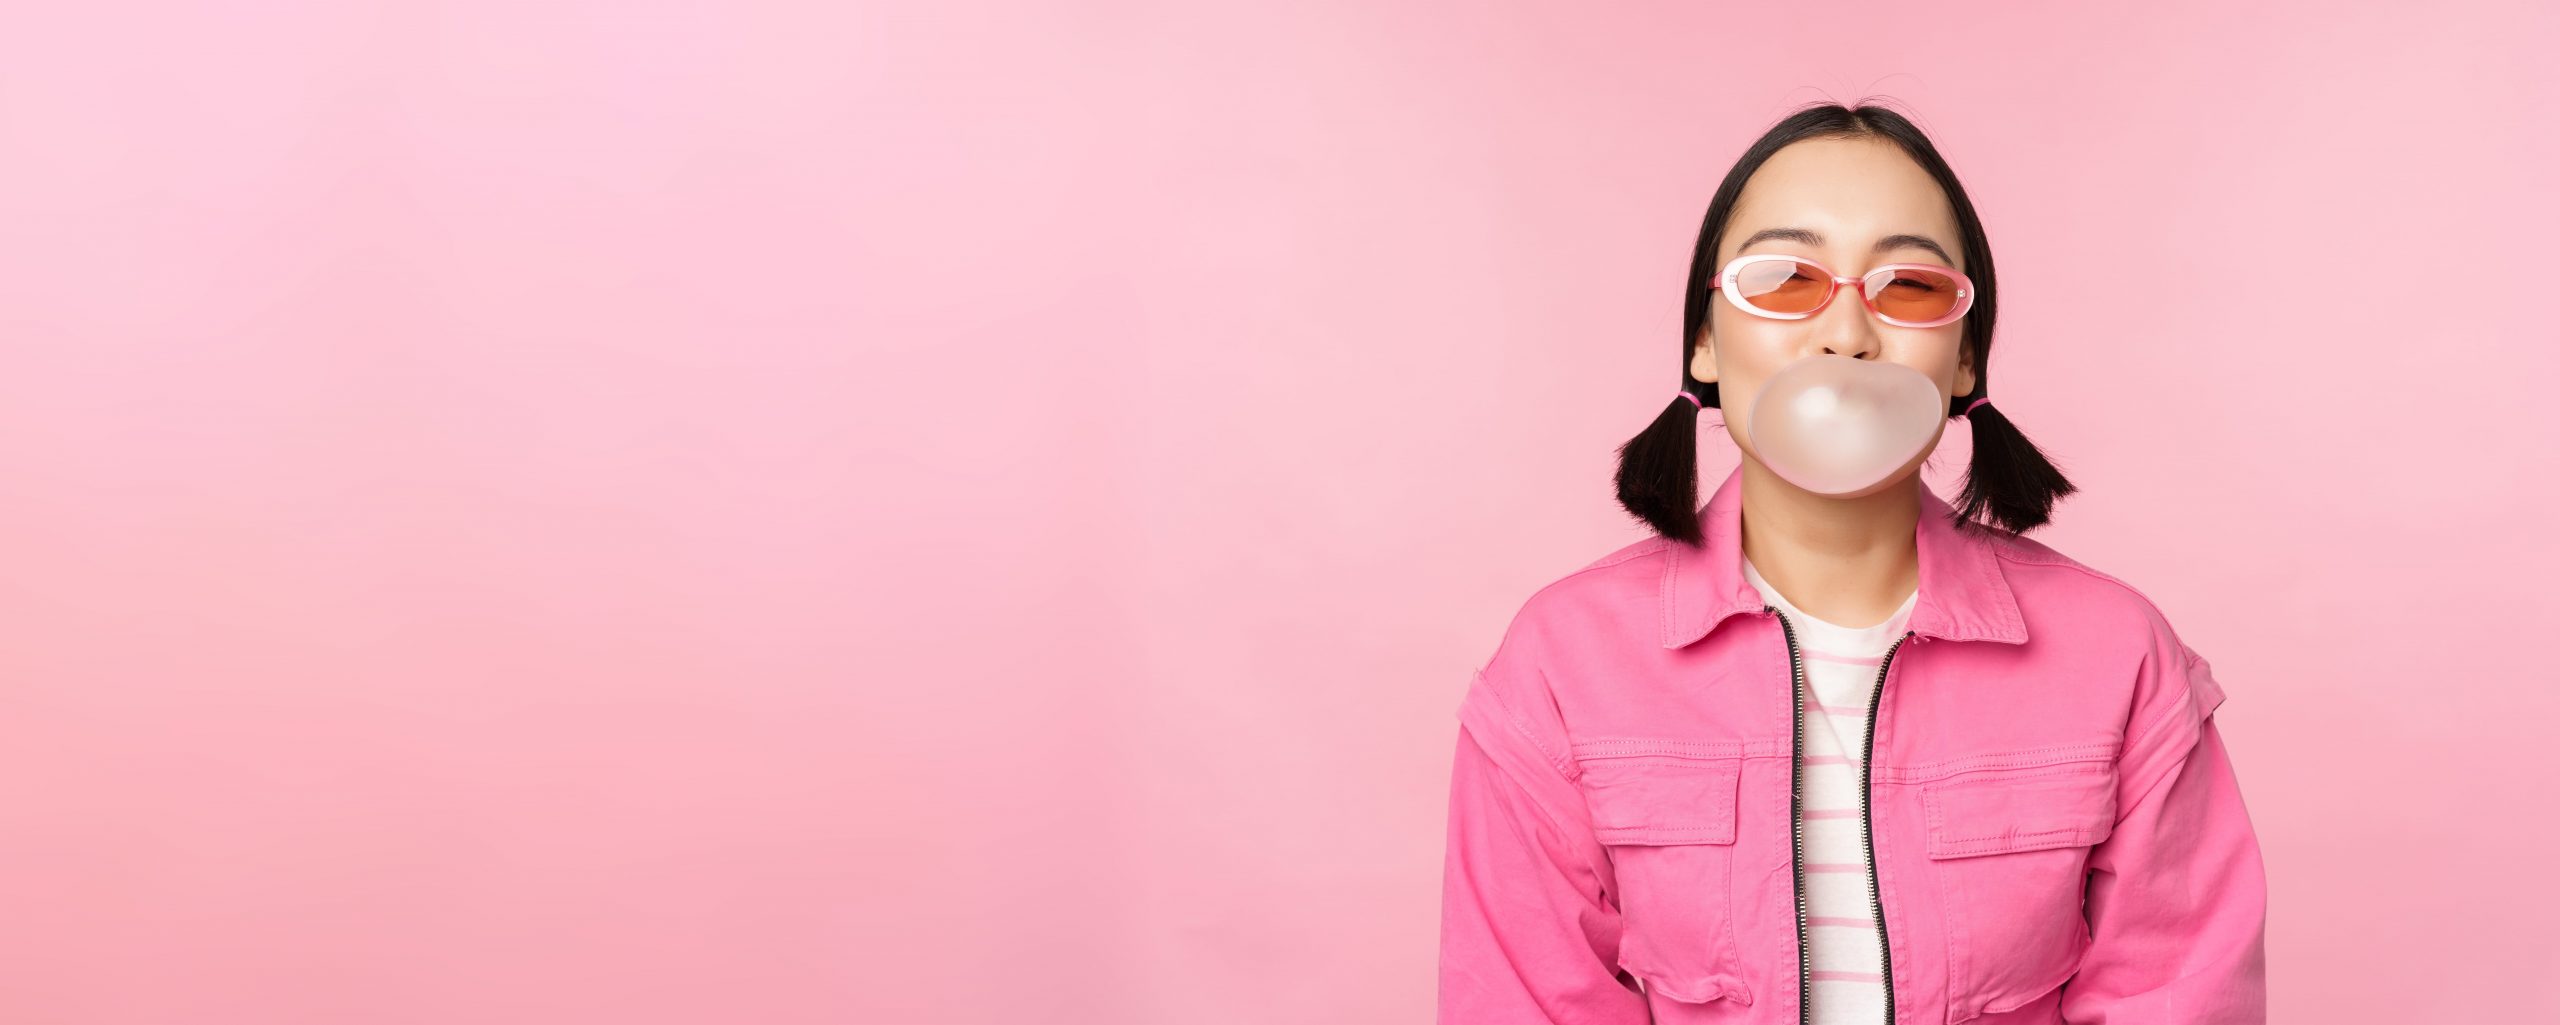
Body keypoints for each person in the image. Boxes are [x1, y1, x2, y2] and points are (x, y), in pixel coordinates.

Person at [1435, 102, 2267, 1025]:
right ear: (1705, 342)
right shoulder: (1560, 665)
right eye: (1787, 278)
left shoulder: (2119, 658)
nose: (1847, 334)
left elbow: (2180, 993)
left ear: (1963, 362)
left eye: (1907, 286)